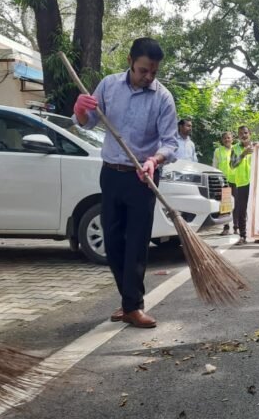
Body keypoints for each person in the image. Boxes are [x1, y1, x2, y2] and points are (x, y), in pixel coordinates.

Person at [73, 37, 178, 329]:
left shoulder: (163, 98)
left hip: (142, 177)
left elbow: (170, 142)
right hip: (111, 173)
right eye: (144, 70)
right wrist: (81, 110)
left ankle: (133, 305)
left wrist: (154, 160)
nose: (148, 77)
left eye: (154, 72)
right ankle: (127, 301)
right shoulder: (108, 86)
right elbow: (87, 121)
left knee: (136, 242)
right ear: (130, 61)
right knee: (113, 240)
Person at [230, 126, 254, 245]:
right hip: (242, 183)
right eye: (240, 134)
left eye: (245, 133)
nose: (243, 135)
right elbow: (232, 165)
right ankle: (243, 235)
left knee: (257, 209)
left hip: (255, 183)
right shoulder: (235, 148)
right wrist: (243, 154)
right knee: (241, 210)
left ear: (250, 133)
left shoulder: (257, 147)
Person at [212, 131, 236, 235]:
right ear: (222, 140)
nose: (227, 140)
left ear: (232, 139)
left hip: (236, 180)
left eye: (229, 138)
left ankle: (236, 227)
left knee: (237, 204)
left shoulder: (237, 149)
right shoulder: (218, 151)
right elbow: (214, 166)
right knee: (226, 205)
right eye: (225, 138)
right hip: (224, 181)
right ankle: (226, 227)